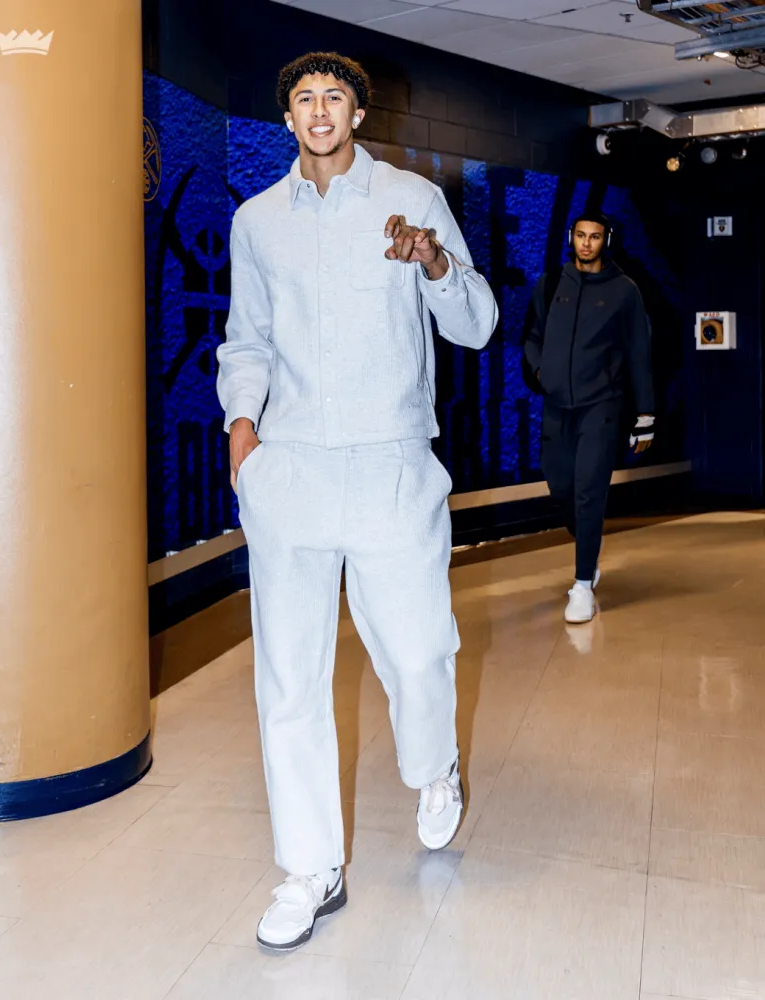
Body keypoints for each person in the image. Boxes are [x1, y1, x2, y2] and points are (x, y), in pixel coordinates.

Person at [216, 52, 498, 952]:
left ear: (359, 112)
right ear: (288, 118)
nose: (319, 109)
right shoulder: (256, 221)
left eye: (334, 95)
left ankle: (434, 766)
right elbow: (246, 339)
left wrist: (437, 266)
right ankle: (311, 866)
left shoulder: (412, 201)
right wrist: (241, 434)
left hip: (390, 466)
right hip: (290, 470)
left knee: (418, 654)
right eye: (303, 98)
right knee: (290, 681)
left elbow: (478, 325)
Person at [523, 213, 654, 624]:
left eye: (594, 236)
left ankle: (582, 585)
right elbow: (531, 336)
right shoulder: (550, 285)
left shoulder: (624, 291)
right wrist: (541, 372)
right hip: (556, 406)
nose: (586, 243)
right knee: (560, 484)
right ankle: (589, 549)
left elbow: (638, 354)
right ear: (571, 237)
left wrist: (646, 414)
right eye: (580, 235)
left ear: (606, 240)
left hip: (602, 407)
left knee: (588, 492)